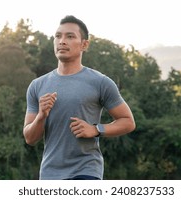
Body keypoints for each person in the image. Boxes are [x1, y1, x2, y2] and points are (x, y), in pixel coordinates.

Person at [23, 15, 136, 180]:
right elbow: (30, 138)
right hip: (49, 175)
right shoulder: (37, 86)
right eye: (58, 36)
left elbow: (128, 122)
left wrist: (96, 129)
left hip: (86, 172)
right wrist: (41, 116)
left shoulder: (100, 82)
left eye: (70, 36)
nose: (62, 41)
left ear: (84, 44)